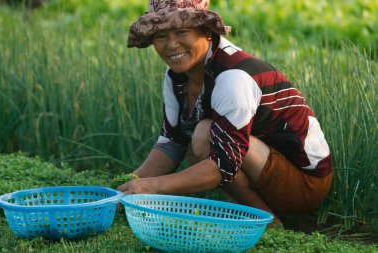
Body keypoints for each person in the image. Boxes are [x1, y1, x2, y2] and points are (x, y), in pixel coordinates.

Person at [118, 0, 333, 224]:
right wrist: (128, 185)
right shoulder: (176, 76)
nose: (171, 45)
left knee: (203, 135)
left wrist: (152, 187)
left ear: (207, 32)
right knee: (195, 140)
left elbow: (222, 165)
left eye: (182, 32)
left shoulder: (234, 75)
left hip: (305, 184)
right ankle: (240, 211)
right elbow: (172, 142)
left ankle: (270, 224)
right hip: (260, 167)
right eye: (160, 36)